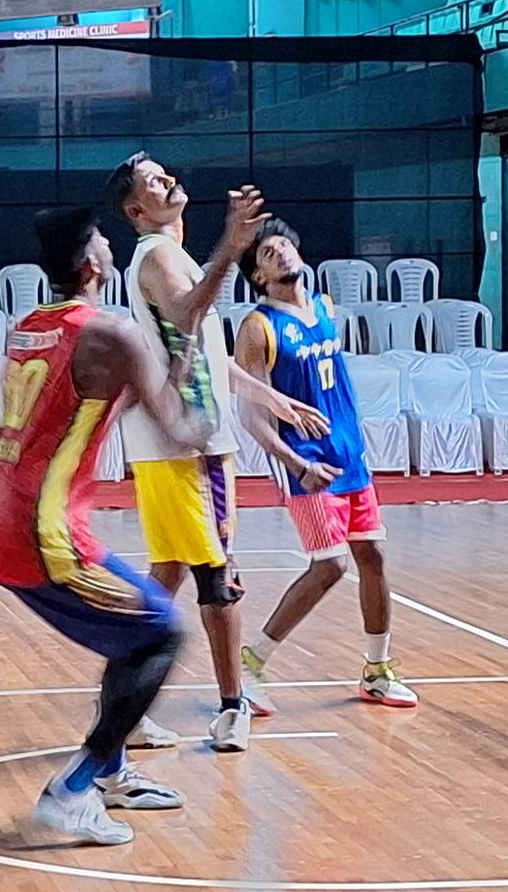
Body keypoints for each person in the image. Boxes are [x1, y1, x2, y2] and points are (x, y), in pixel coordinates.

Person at [0, 206, 213, 846]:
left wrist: (167, 375)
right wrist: (209, 413)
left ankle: (112, 770)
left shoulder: (31, 327)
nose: (112, 247)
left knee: (130, 636)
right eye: (105, 242)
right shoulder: (112, 333)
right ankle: (75, 788)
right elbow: (178, 430)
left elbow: (101, 395)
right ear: (92, 266)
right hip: (40, 530)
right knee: (161, 634)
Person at [105, 153, 329, 754]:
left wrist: (270, 400)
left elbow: (210, 353)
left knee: (169, 573)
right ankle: (234, 708)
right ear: (137, 209)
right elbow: (187, 310)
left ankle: (125, 707)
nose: (168, 179)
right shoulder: (156, 256)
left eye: (165, 171)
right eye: (153, 181)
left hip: (183, 444)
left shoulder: (172, 258)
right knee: (217, 578)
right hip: (185, 446)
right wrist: (231, 248)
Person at [233, 218, 418, 711]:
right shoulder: (258, 327)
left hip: (349, 456)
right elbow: (248, 412)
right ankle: (250, 664)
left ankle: (378, 670)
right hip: (308, 463)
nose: (280, 254)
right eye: (267, 255)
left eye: (282, 247)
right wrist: (293, 462)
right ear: (258, 277)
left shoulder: (324, 308)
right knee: (331, 565)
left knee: (373, 557)